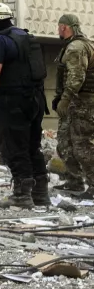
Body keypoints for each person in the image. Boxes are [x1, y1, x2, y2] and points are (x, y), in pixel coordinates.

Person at [0, 2, 49, 207]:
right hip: (36, 100)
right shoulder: (27, 37)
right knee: (33, 147)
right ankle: (41, 194)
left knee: (14, 147)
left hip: (12, 102)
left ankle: (22, 195)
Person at [52, 14, 94, 195]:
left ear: (63, 27)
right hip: (74, 103)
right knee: (64, 143)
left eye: (58, 27)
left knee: (82, 146)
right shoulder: (74, 45)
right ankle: (74, 180)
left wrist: (65, 98)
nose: (58, 30)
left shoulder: (76, 47)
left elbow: (77, 77)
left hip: (82, 103)